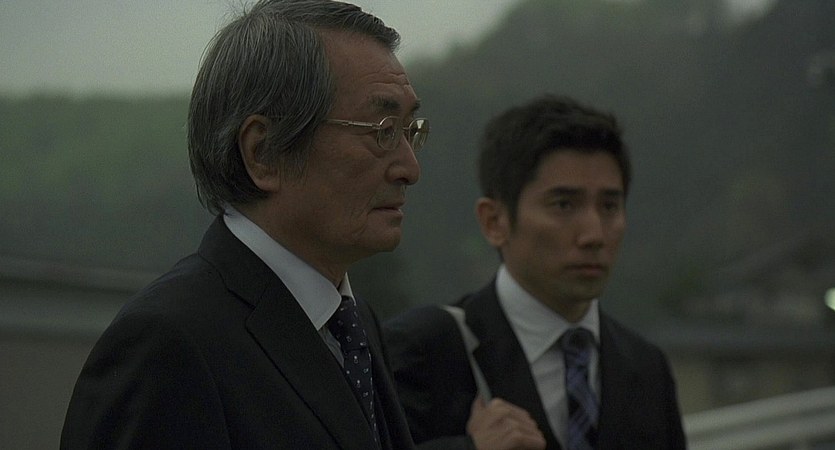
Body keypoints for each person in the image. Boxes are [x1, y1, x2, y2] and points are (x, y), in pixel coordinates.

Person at [61, 1, 429, 448]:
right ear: (263, 152)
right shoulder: (167, 345)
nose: (410, 169)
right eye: (382, 130)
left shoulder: (353, 324)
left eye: (410, 131)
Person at [384, 94, 686, 450]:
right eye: (563, 204)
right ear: (495, 221)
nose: (594, 234)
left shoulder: (646, 367)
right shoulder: (423, 352)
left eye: (609, 206)